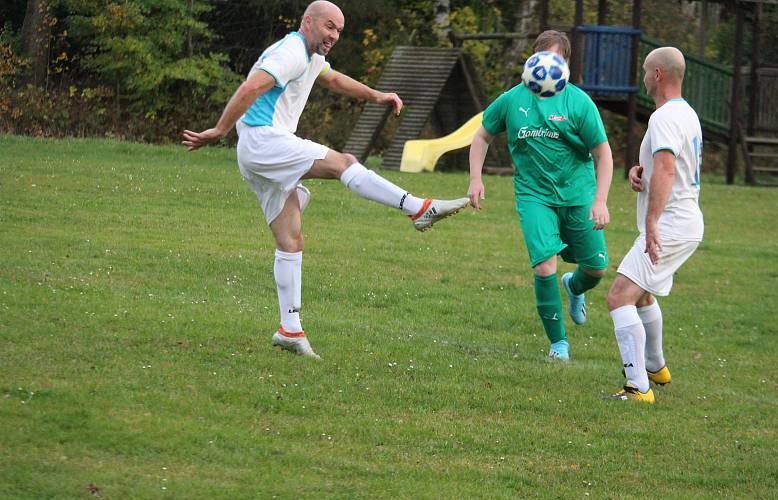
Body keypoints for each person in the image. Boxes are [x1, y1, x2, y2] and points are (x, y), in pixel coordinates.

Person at [182, 0, 468, 360]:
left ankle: (290, 329)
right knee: (343, 162)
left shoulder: (310, 54)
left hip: (257, 149)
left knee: (291, 239)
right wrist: (219, 130)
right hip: (263, 139)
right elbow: (249, 88)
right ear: (308, 22)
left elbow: (331, 78)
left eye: (339, 31)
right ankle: (417, 208)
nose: (333, 35)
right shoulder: (291, 51)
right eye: (329, 26)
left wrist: (375, 95)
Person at [467, 30, 613, 361]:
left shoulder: (579, 102)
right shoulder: (512, 99)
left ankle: (574, 288)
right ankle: (558, 344)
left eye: (557, 61)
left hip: (578, 195)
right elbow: (482, 136)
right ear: (532, 61)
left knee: (596, 270)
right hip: (535, 196)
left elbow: (603, 154)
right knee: (544, 267)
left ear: (566, 64)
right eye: (543, 60)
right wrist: (475, 178)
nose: (549, 67)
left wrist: (600, 200)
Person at [605, 47, 704, 403]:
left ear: (658, 75)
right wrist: (638, 172)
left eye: (646, 70)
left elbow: (666, 168)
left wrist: (651, 224)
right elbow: (663, 165)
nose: (643, 76)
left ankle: (637, 388)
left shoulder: (663, 118)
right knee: (642, 292)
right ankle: (656, 367)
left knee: (619, 296)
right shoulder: (685, 113)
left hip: (671, 224)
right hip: (684, 221)